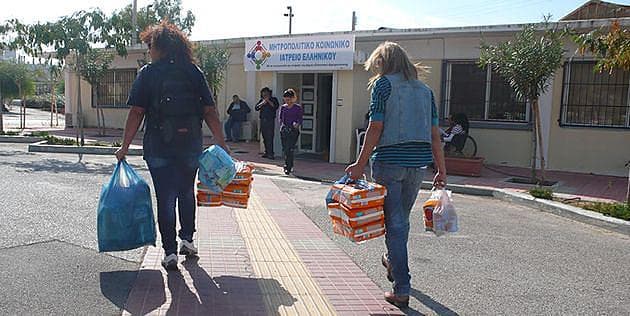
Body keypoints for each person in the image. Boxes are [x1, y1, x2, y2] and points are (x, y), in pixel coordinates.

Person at [114, 21, 228, 271]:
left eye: (150, 46)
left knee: (165, 197)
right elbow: (210, 111)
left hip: (158, 146)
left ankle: (169, 253)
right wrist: (222, 144)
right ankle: (187, 239)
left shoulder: (148, 73)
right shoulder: (193, 71)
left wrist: (124, 147)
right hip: (190, 145)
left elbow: (136, 112)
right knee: (186, 191)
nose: (149, 51)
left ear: (160, 47)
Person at [345, 41, 447, 308]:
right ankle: (393, 261)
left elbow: (375, 126)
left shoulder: (383, 85)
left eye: (378, 64)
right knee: (400, 220)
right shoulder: (426, 91)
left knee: (396, 224)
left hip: (389, 162)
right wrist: (441, 170)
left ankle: (401, 288)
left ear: (384, 62)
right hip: (418, 165)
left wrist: (359, 164)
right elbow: (435, 134)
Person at [278, 88, 303, 175]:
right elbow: (281, 119)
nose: (287, 101)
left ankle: (288, 166)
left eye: (289, 99)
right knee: (285, 149)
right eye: (286, 100)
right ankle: (288, 164)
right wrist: (281, 127)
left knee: (290, 148)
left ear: (293, 98)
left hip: (293, 130)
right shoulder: (283, 108)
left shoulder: (297, 108)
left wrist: (297, 124)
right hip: (285, 130)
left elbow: (300, 118)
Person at [255, 87, 279, 159]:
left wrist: (268, 101)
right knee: (264, 137)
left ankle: (271, 153)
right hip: (263, 120)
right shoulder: (261, 100)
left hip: (270, 121)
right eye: (263, 93)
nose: (265, 94)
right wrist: (262, 103)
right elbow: (256, 108)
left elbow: (275, 107)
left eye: (266, 93)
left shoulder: (274, 99)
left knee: (270, 137)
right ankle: (266, 152)